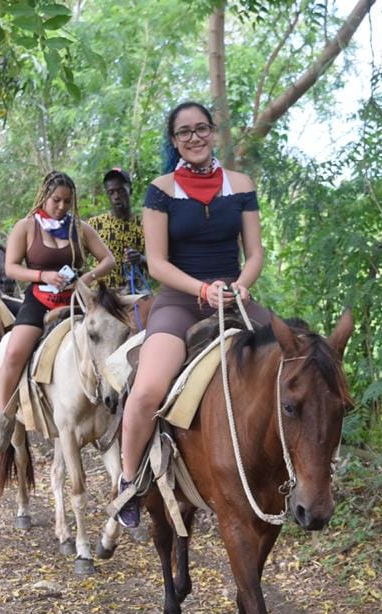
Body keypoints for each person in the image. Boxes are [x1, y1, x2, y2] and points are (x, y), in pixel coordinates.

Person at [115, 101, 273, 527]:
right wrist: (202, 289)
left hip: (234, 294)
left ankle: (293, 471)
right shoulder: (161, 190)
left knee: (294, 364)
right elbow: (157, 262)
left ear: (213, 131)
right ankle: (129, 482)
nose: (194, 138)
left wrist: (242, 283)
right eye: (184, 132)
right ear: (174, 141)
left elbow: (255, 252)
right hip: (180, 300)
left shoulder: (240, 184)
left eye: (201, 128)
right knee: (148, 389)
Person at [0, 171, 114, 450]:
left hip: (76, 299)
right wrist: (43, 276)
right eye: (56, 200)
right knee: (14, 353)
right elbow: (11, 267)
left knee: (111, 338)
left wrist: (86, 278)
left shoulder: (80, 228)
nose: (62, 206)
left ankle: (112, 409)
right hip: (39, 300)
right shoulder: (26, 227)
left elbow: (108, 259)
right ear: (44, 197)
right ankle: (4, 418)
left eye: (67, 201)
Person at [87, 167, 149, 293]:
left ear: (130, 190)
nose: (116, 196)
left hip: (133, 292)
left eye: (120, 191)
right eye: (111, 192)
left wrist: (140, 259)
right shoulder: (95, 224)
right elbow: (79, 258)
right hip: (102, 293)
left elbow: (157, 263)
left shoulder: (144, 225)